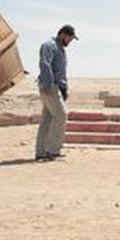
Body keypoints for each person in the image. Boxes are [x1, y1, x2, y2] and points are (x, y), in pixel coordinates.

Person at [35, 24, 77, 161]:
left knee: (47, 119)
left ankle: (41, 152)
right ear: (63, 34)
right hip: (50, 86)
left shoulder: (60, 48)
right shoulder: (49, 45)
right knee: (61, 116)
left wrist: (64, 89)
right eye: (70, 38)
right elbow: (45, 64)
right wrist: (48, 85)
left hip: (56, 87)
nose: (70, 42)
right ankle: (52, 151)